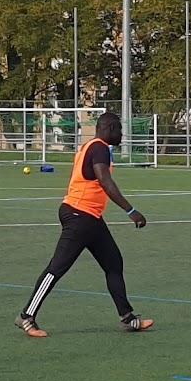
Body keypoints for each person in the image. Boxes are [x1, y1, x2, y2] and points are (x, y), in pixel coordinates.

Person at [15, 112, 153, 338]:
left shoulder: (92, 147)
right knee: (57, 268)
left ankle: (128, 317)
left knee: (113, 263)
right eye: (118, 129)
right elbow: (104, 180)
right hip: (80, 215)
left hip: (90, 217)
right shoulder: (98, 147)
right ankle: (26, 316)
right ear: (108, 128)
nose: (121, 134)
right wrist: (131, 210)